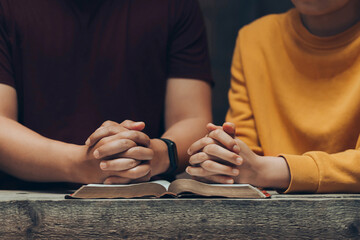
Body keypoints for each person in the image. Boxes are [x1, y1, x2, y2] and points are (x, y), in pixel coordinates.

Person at [0, 0, 213, 188]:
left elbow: (193, 118)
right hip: (23, 202)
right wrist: (78, 163)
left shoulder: (175, 5)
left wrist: (155, 155)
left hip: (144, 197)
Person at [186, 0, 360, 193]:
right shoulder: (255, 38)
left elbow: (254, 168)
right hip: (267, 216)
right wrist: (221, 159)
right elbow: (244, 156)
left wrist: (266, 170)